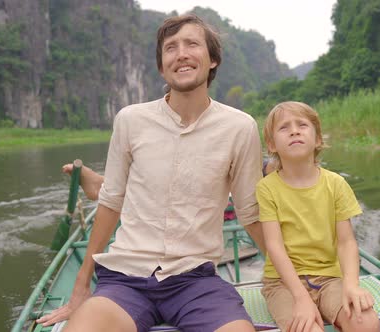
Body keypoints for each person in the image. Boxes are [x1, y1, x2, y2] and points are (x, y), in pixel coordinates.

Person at [38, 14, 265, 332]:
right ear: (162, 66)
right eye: (170, 47)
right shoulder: (130, 120)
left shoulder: (240, 128)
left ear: (213, 60)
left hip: (196, 283)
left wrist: (293, 280)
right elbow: (111, 202)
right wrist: (81, 288)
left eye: (192, 44)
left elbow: (251, 213)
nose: (181, 53)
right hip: (125, 281)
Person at [256, 101, 380, 332]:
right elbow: (275, 247)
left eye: (302, 124)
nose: (294, 130)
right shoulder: (267, 188)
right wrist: (301, 298)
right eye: (284, 127)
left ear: (318, 139)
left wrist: (351, 285)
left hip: (329, 279)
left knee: (367, 323)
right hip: (283, 283)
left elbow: (346, 242)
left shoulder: (336, 184)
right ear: (272, 144)